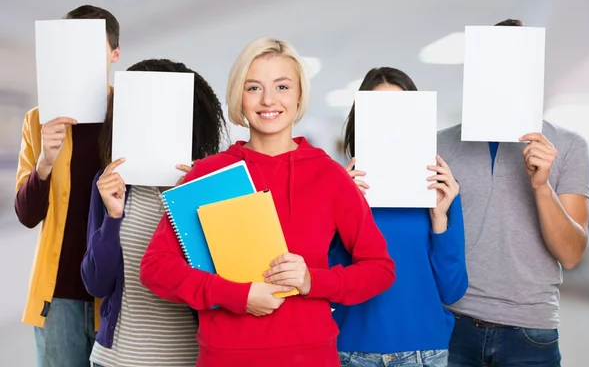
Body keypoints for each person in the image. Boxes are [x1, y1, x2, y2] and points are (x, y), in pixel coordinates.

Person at [139, 37, 396, 367]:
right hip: (226, 357)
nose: (268, 100)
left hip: (310, 356)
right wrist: (237, 296)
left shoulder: (330, 177)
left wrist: (311, 281)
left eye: (282, 87)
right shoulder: (209, 174)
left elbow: (380, 269)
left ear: (300, 95)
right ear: (239, 97)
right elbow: (156, 269)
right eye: (253, 88)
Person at [442, 19, 589, 366]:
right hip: (453, 324)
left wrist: (541, 187)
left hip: (530, 330)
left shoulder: (568, 146)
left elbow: (571, 254)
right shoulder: (440, 144)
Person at [81, 58, 228, 367]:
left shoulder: (206, 186)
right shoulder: (110, 184)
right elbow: (96, 284)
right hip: (116, 359)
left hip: (188, 358)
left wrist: (186, 200)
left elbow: (220, 283)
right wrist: (112, 216)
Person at [330, 67, 467, 367]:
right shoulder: (338, 191)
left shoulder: (439, 192)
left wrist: (440, 221)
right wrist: (339, 210)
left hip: (424, 352)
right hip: (352, 351)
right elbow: (327, 286)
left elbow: (452, 289)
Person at [14, 5, 120, 367]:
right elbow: (27, 216)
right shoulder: (39, 120)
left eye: (92, 46)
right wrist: (45, 160)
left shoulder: (133, 113)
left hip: (119, 291)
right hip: (58, 295)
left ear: (114, 53)